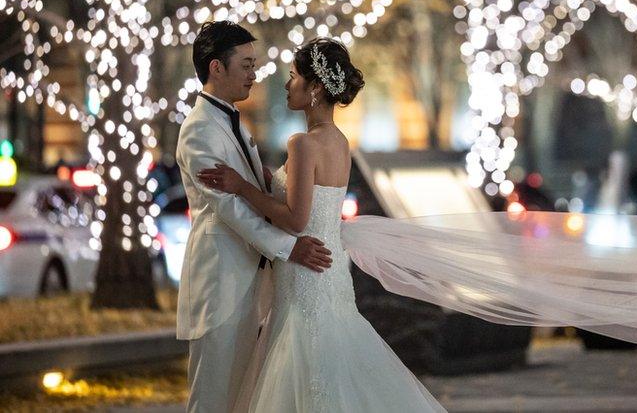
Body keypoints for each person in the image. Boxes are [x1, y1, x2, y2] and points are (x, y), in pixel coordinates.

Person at [199, 37, 445, 412]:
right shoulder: (340, 142)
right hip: (329, 275)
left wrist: (242, 187)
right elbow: (315, 206)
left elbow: (297, 220)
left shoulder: (302, 144)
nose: (286, 84)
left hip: (303, 273)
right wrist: (270, 182)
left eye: (294, 76)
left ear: (314, 89)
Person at [175, 21, 333, 412]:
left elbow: (253, 195)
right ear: (216, 68)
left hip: (252, 284)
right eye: (246, 65)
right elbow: (230, 210)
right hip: (220, 284)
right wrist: (290, 248)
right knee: (213, 399)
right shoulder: (199, 130)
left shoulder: (234, 123)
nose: (254, 74)